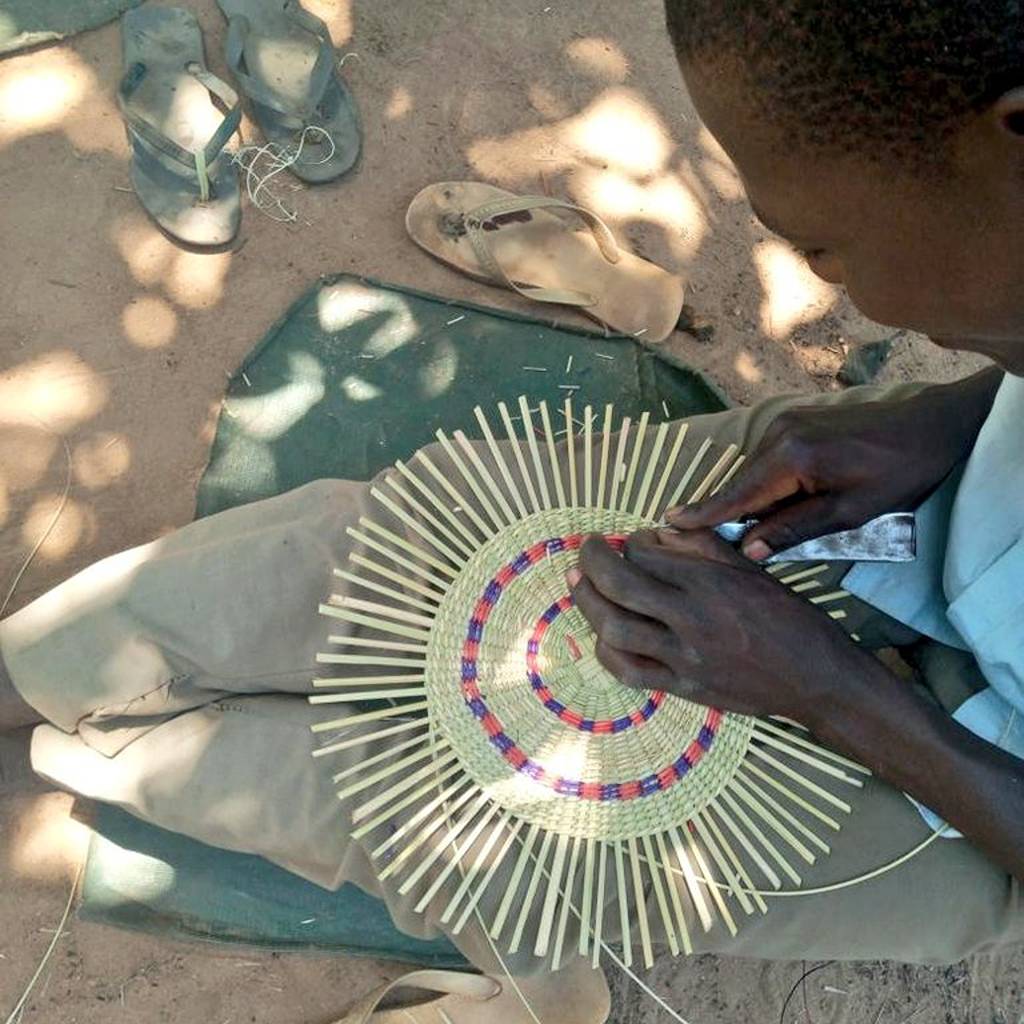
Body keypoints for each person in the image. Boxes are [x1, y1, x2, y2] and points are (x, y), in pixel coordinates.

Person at [1, 0, 1022, 1000]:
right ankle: (43, 669)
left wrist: (835, 694)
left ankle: (113, 753)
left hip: (991, 812)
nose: (828, 278)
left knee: (454, 827)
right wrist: (955, 413)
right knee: (398, 562)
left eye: (819, 240)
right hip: (934, 484)